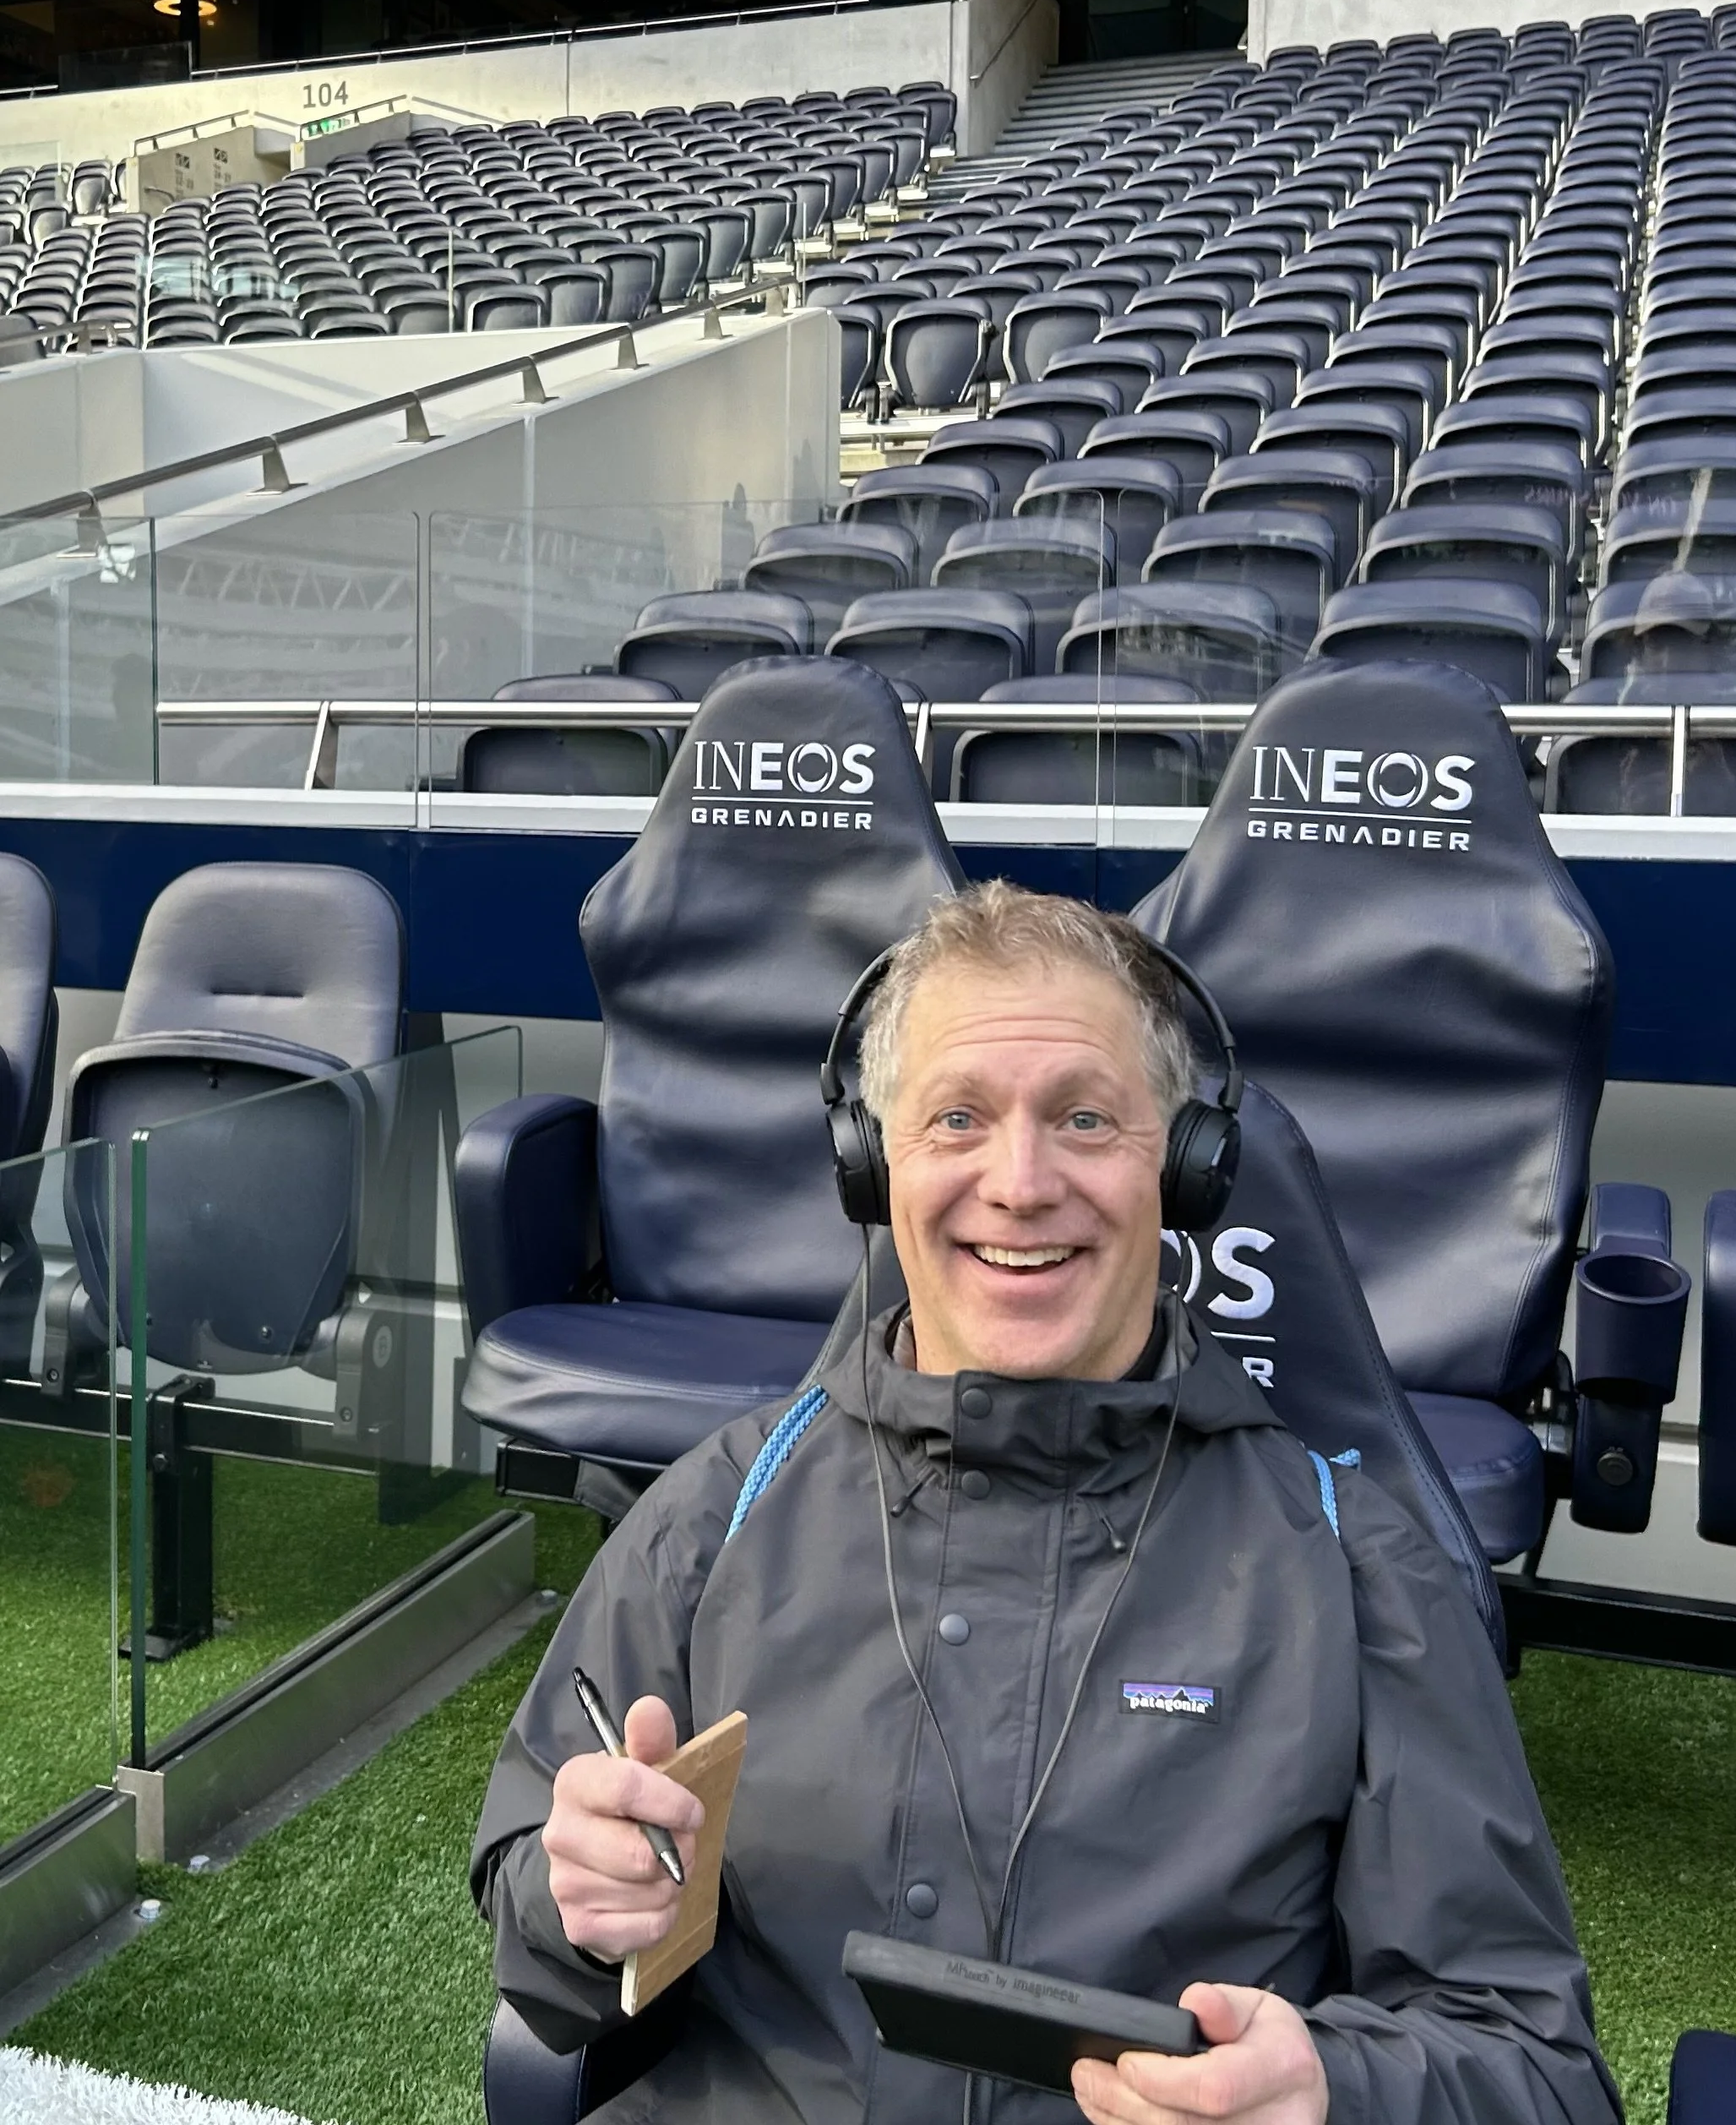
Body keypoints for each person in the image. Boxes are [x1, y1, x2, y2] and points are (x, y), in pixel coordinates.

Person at [474, 885, 1621, 2125]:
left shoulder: (1352, 1571)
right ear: (875, 1166)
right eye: (958, 1118)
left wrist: (1330, 2093)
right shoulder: (719, 1513)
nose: (1020, 1183)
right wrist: (579, 1903)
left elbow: (1537, 2069)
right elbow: (540, 1906)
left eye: (1085, 1119)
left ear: (1185, 1169)